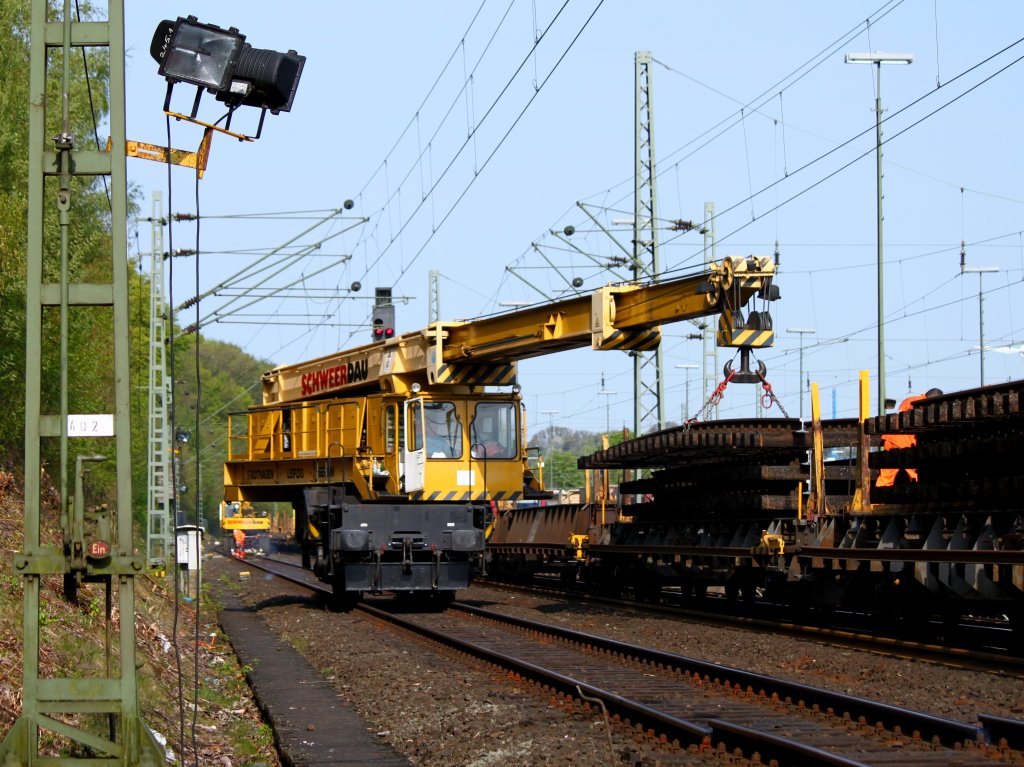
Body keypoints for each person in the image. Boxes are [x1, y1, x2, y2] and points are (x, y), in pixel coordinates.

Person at [875, 387, 942, 487]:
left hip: (890, 439)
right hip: (905, 444)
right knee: (915, 474)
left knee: (886, 476)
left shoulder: (909, 400)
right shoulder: (923, 405)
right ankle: (917, 499)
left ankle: (877, 501)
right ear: (934, 399)